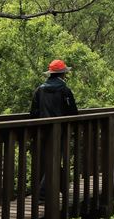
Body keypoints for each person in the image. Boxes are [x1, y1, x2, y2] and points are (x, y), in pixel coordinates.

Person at [30, 59, 78, 203]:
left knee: (49, 160)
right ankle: (42, 194)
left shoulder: (40, 90)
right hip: (60, 132)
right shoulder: (65, 90)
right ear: (63, 74)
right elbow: (73, 112)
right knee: (54, 160)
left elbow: (33, 112)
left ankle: (63, 186)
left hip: (42, 131)